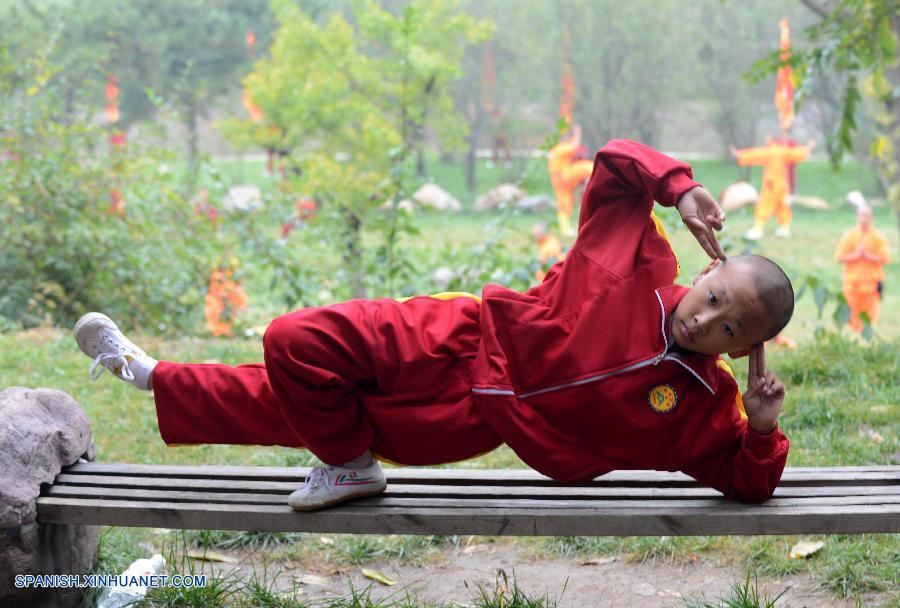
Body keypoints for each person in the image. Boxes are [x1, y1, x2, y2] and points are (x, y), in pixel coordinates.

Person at [73, 140, 791, 512]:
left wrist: (760, 429)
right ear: (706, 270)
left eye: (733, 329)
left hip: (473, 417)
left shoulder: (699, 408)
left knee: (300, 405)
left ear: (747, 350)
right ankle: (349, 464)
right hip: (457, 333)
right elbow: (613, 166)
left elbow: (746, 482)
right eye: (718, 294)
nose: (709, 320)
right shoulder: (635, 264)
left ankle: (153, 377)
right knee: (297, 342)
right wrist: (682, 188)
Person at [731, 137, 814, 240]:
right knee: (782, 206)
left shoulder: (770, 152)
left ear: (772, 141)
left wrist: (739, 154)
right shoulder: (784, 151)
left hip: (771, 185)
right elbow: (798, 153)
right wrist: (808, 147)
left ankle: (758, 228)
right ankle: (784, 228)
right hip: (783, 185)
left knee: (764, 206)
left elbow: (755, 155)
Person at [834, 204, 892, 333]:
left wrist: (867, 256)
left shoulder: (878, 236)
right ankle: (853, 341)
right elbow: (839, 256)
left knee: (869, 319)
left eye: (866, 215)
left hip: (871, 286)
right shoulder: (850, 235)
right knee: (851, 316)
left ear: (871, 217)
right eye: (861, 215)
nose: (864, 218)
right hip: (852, 285)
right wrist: (856, 255)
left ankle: (867, 340)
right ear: (857, 216)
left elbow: (886, 258)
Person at [548, 124, 594, 237]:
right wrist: (578, 133)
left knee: (566, 204)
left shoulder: (556, 149)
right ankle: (597, 178)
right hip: (564, 176)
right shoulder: (561, 148)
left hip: (559, 180)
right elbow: (574, 146)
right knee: (588, 166)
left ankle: (565, 229)